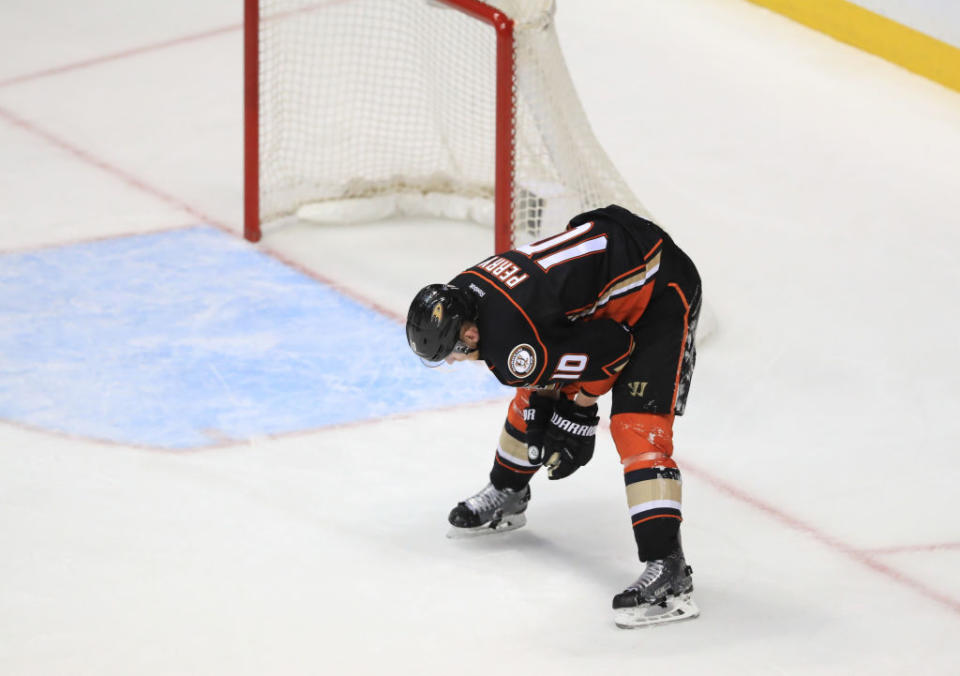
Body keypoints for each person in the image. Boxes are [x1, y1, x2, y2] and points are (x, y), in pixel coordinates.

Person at [405, 204, 702, 628]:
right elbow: (548, 336)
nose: (453, 361)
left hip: (660, 294)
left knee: (637, 430)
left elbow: (612, 350)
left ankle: (669, 570)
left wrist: (577, 412)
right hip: (617, 261)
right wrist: (550, 402)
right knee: (534, 398)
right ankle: (508, 492)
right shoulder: (465, 291)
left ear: (469, 333)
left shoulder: (509, 349)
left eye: (451, 353)